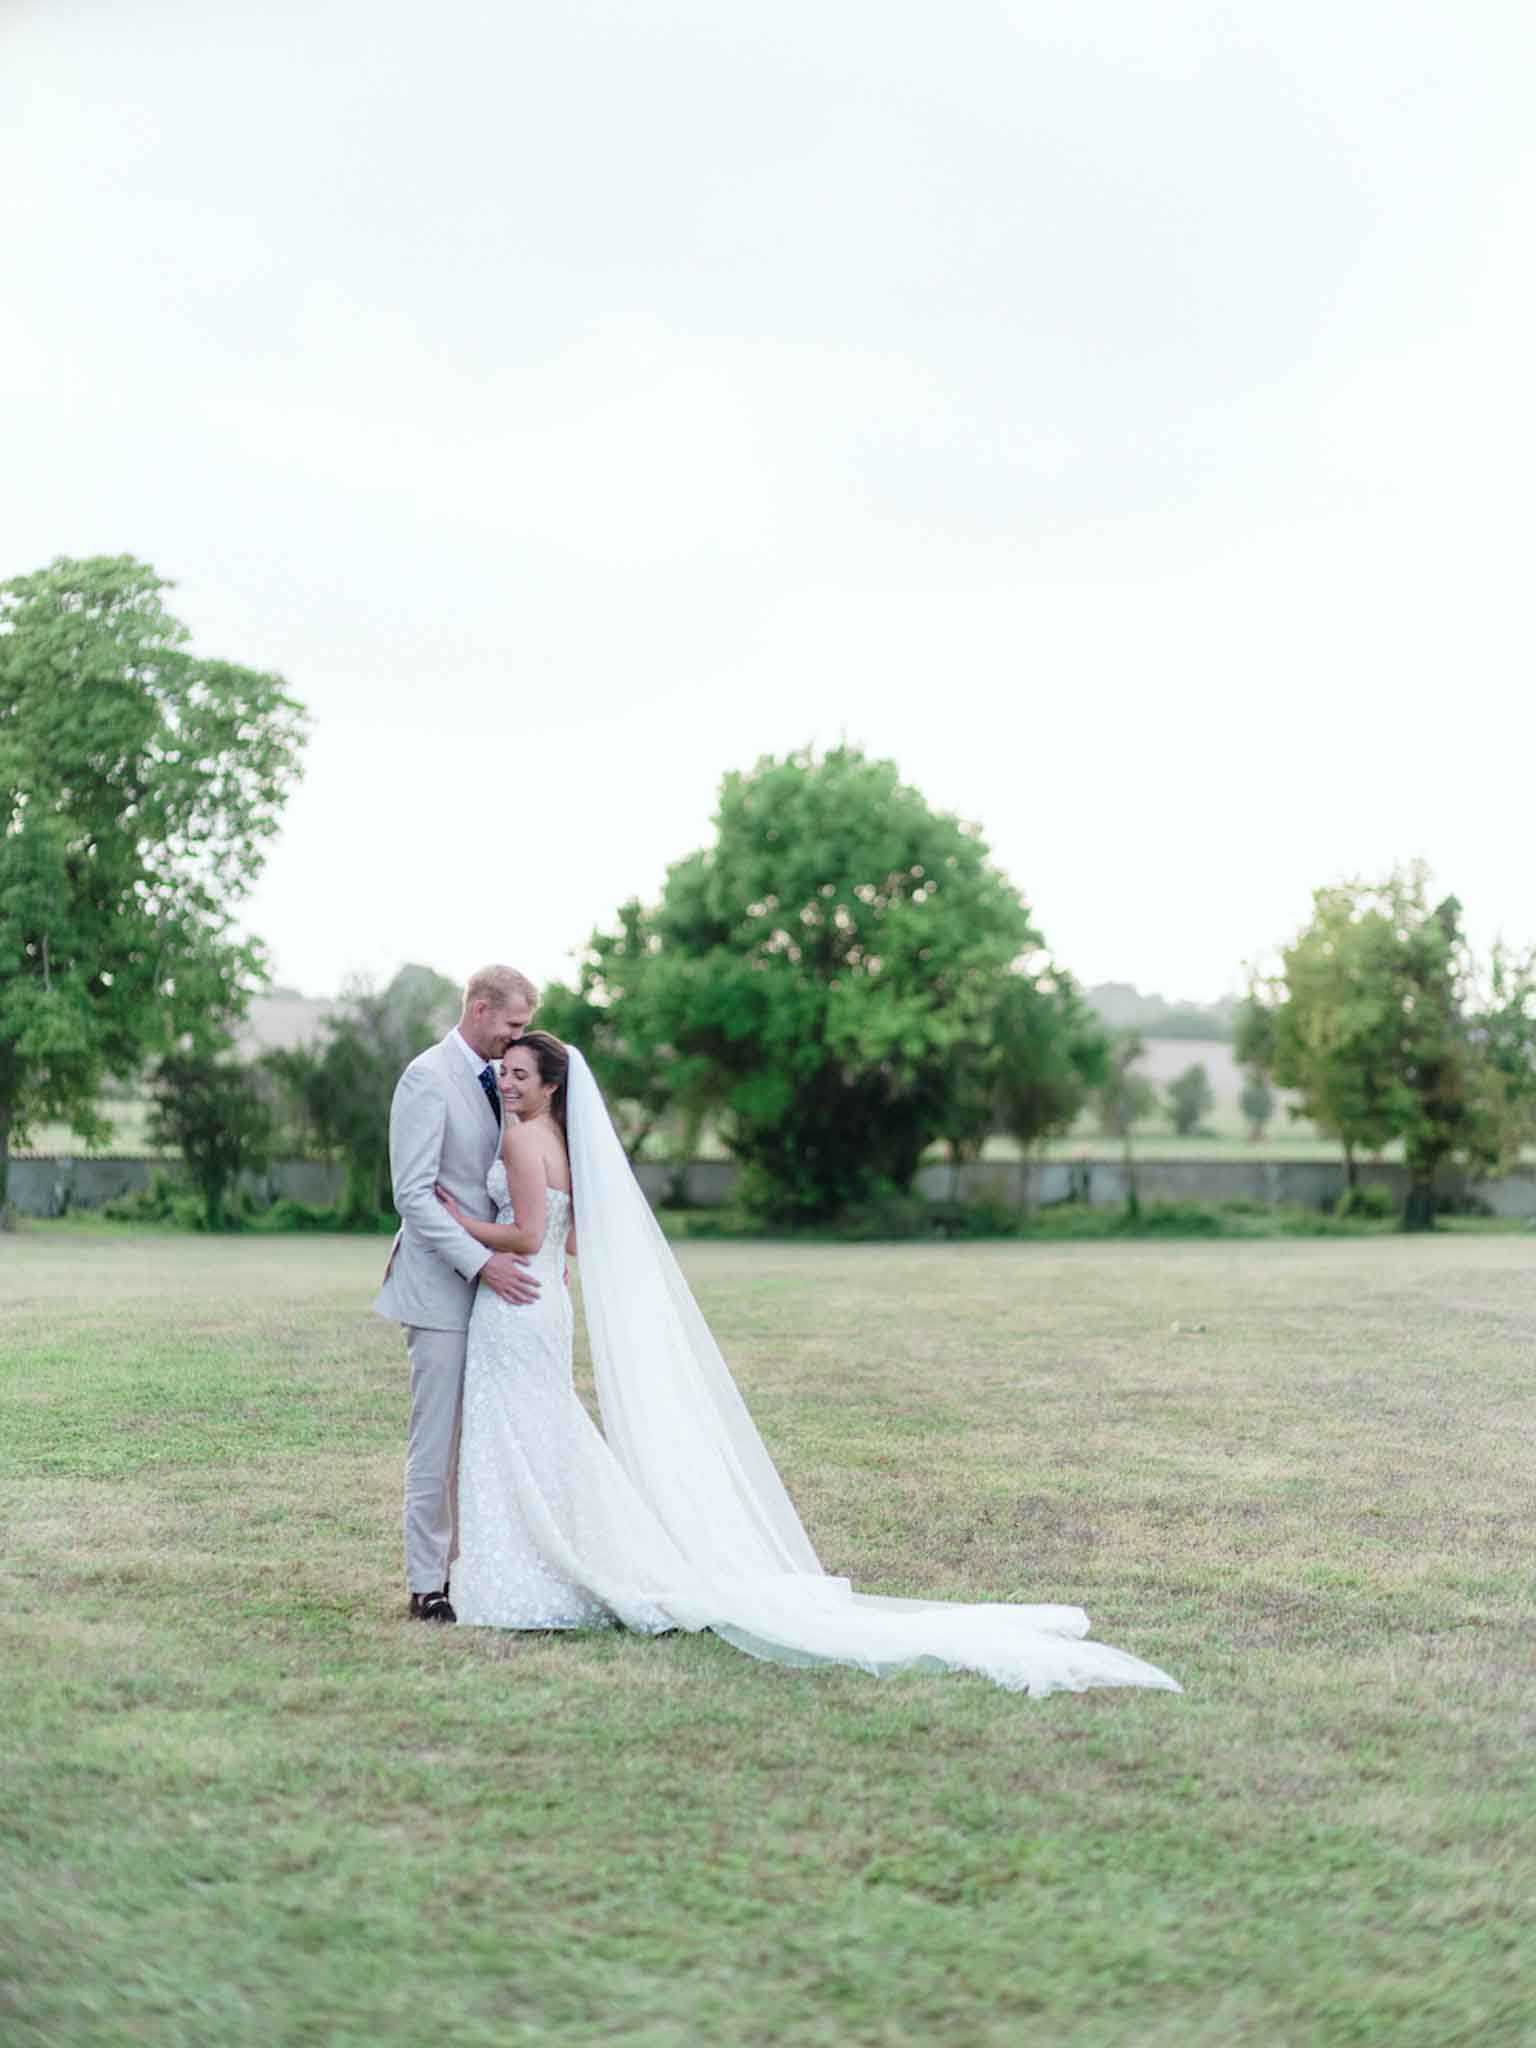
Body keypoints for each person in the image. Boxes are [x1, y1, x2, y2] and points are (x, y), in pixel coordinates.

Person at [438, 1032, 1182, 1698]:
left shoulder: (521, 1142)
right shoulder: (561, 1142)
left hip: (515, 1306)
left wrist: (455, 1220)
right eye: (502, 1073)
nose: (506, 1084)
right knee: (539, 1431)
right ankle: (543, 1563)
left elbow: (529, 1232)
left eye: (519, 1075)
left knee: (516, 1430)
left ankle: (528, 1576)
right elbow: (568, 1239)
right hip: (545, 1307)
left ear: (551, 1085)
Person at [373, 965, 540, 1622]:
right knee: (436, 1439)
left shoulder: (509, 1080)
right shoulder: (426, 1078)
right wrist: (482, 1263)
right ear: (477, 1008)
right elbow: (412, 1195)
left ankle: (479, 1569)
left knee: (487, 1439)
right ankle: (427, 1585)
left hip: (501, 1293)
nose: (518, 1038)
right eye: (512, 1024)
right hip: (442, 1287)